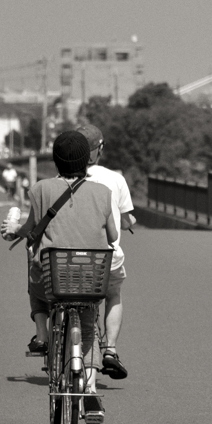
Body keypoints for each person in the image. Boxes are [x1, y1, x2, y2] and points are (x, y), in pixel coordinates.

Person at [0, 131, 118, 424]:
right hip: (90, 275)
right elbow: (114, 236)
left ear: (55, 159)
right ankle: (89, 390)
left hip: (54, 275)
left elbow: (31, 229)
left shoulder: (40, 189)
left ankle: (42, 333)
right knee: (89, 326)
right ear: (88, 160)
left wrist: (13, 230)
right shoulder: (103, 192)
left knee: (35, 270)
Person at [76, 124, 137, 380]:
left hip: (69, 259)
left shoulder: (62, 179)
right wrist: (129, 223)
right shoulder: (115, 178)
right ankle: (110, 349)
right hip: (106, 258)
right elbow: (125, 218)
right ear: (99, 149)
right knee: (113, 293)